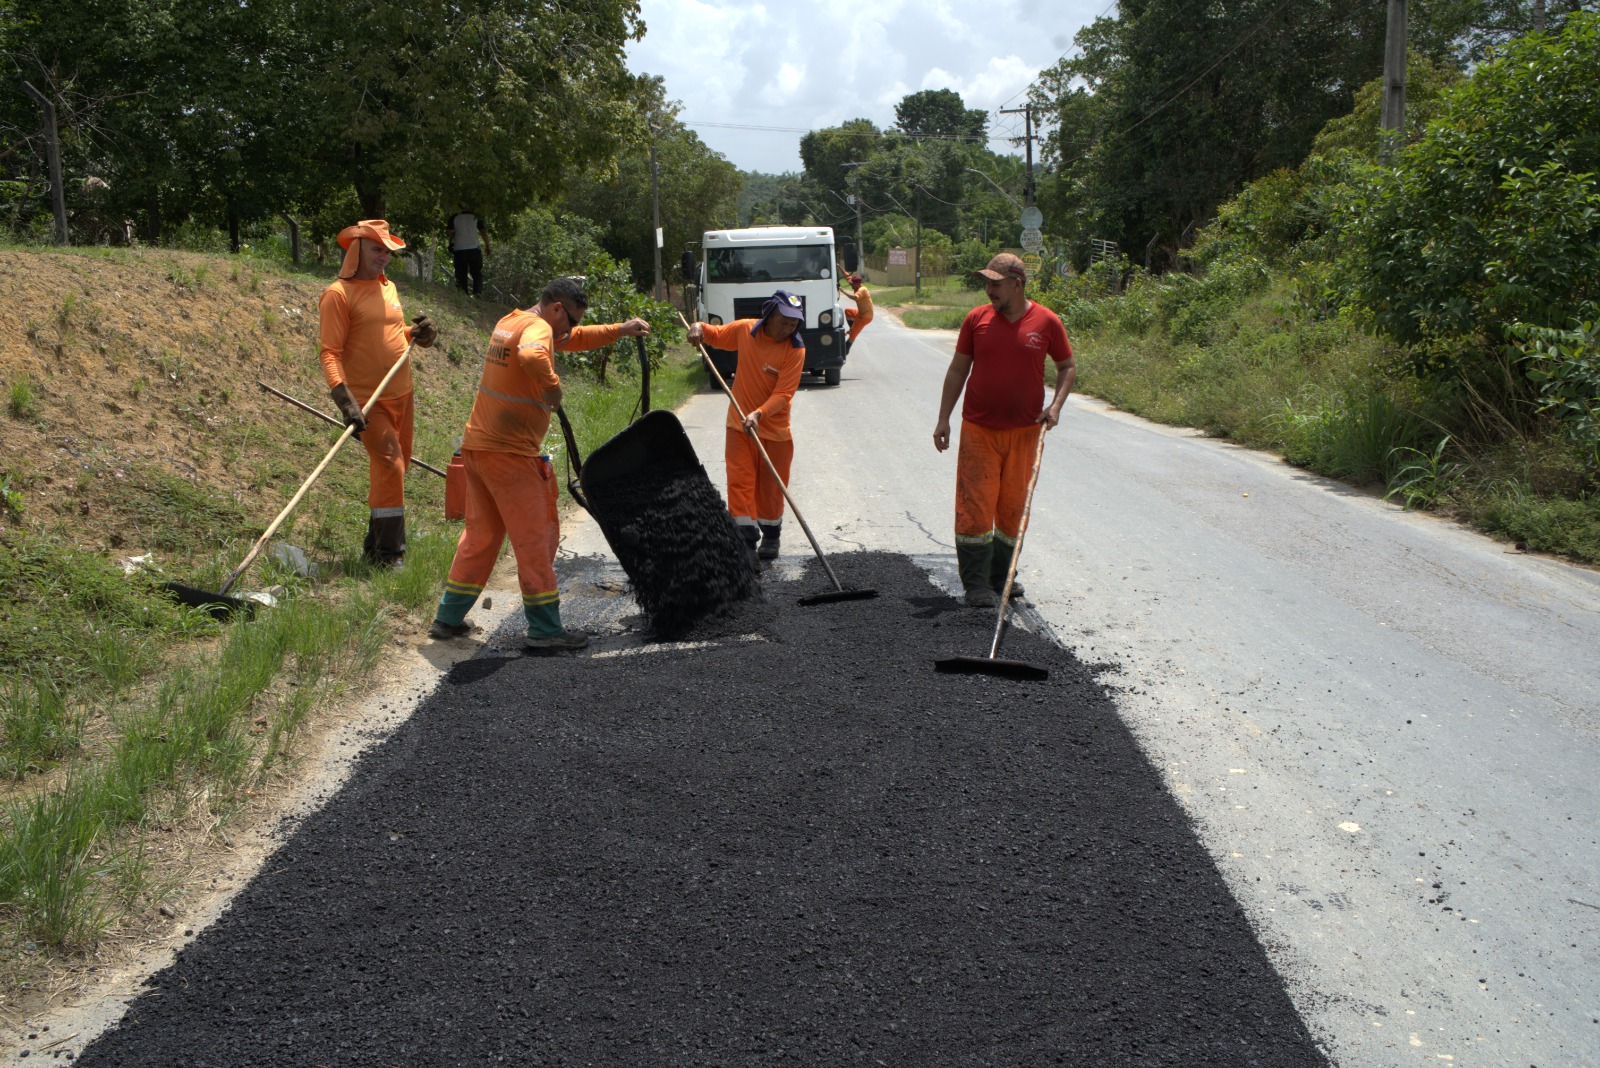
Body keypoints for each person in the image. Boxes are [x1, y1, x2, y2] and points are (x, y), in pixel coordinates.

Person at [429, 278, 651, 650]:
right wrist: (552, 387)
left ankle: (448, 618)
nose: (573, 329)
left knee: (481, 538)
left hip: (478, 448)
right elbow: (533, 357)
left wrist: (620, 330)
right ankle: (546, 630)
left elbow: (570, 341)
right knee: (535, 539)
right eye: (572, 320)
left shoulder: (512, 322)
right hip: (510, 455)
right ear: (556, 309)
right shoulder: (536, 329)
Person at [932, 253, 1075, 608]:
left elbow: (1067, 366)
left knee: (1012, 508)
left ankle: (1003, 576)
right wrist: (943, 418)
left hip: (1025, 432)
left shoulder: (1046, 322)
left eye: (996, 284)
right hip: (979, 430)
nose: (989, 290)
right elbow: (957, 371)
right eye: (988, 283)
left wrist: (1055, 406)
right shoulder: (976, 320)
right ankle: (977, 584)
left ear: (1017, 283)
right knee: (974, 507)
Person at [318, 219, 437, 567]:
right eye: (377, 249)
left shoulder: (389, 288)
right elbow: (329, 352)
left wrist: (417, 334)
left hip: (403, 392)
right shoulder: (337, 295)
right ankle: (390, 554)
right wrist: (344, 399)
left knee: (395, 469)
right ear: (356, 250)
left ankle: (373, 546)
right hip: (369, 401)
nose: (384, 256)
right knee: (390, 466)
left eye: (387, 251)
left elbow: (391, 331)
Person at [686, 291, 806, 565]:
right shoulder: (745, 331)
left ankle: (772, 535)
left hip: (774, 431)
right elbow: (714, 335)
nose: (788, 327)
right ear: (770, 314)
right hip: (739, 426)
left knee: (771, 489)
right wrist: (698, 328)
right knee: (739, 484)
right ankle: (745, 545)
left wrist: (759, 413)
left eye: (793, 323)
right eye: (784, 320)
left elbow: (784, 394)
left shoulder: (795, 349)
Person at [446, 206, 490, 297]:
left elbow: (449, 232)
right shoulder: (475, 216)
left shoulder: (454, 217)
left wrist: (455, 235)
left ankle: (463, 293)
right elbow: (483, 232)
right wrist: (487, 245)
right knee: (477, 272)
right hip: (474, 248)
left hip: (460, 248)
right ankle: (477, 292)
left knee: (461, 272)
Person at [841, 272, 874, 345]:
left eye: (852, 284)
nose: (851, 285)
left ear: (857, 284)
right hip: (860, 314)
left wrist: (843, 291)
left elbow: (855, 297)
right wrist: (839, 267)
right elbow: (847, 277)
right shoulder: (856, 286)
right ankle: (852, 328)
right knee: (848, 311)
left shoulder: (862, 290)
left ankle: (847, 347)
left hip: (866, 317)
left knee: (852, 335)